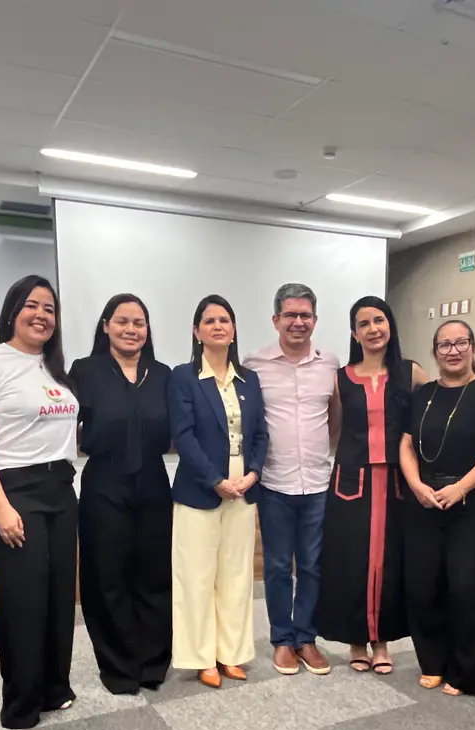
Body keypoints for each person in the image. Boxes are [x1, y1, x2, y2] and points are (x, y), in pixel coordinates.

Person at [0, 275, 79, 729]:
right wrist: (0, 507)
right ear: (12, 311)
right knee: (22, 598)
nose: (41, 315)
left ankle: (54, 687)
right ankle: (21, 703)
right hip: (11, 489)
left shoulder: (55, 367)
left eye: (49, 308)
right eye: (32, 305)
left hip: (59, 488)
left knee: (58, 594)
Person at [400, 320, 475, 697]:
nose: (453, 351)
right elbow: (405, 445)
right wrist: (416, 485)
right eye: (444, 345)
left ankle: (468, 673)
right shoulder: (422, 394)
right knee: (423, 587)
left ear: (473, 347)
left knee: (470, 589)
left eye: (460, 343)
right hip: (425, 501)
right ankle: (433, 662)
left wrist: (461, 487)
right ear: (434, 352)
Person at [316, 295, 427, 673]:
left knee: (391, 560)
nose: (373, 329)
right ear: (354, 333)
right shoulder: (341, 378)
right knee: (352, 561)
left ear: (390, 325)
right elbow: (332, 430)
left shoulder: (411, 373)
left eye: (379, 320)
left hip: (397, 481)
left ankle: (382, 642)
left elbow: (441, 404)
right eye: (363, 323)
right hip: (351, 482)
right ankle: (356, 640)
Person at [69, 294, 173, 695]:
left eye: (139, 323)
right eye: (123, 321)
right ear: (106, 326)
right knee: (107, 577)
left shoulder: (162, 374)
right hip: (104, 482)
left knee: (154, 575)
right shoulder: (85, 370)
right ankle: (118, 666)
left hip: (154, 481)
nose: (131, 329)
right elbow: (66, 427)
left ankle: (152, 663)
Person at [170, 294, 268, 688]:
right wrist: (215, 480)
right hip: (201, 488)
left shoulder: (249, 379)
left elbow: (260, 434)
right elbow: (183, 436)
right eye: (209, 321)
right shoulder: (184, 377)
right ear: (196, 331)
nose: (218, 326)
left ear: (234, 329)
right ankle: (201, 656)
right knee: (196, 576)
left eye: (224, 320)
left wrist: (253, 473)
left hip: (243, 487)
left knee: (236, 576)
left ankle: (231, 653)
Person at [242, 282, 338, 676]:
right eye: (291, 315)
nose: (298, 322)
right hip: (274, 482)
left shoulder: (330, 363)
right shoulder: (254, 364)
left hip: (317, 482)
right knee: (279, 566)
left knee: (313, 565)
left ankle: (306, 638)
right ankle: (282, 639)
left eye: (305, 315)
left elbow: (335, 419)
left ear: (315, 319)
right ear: (275, 319)